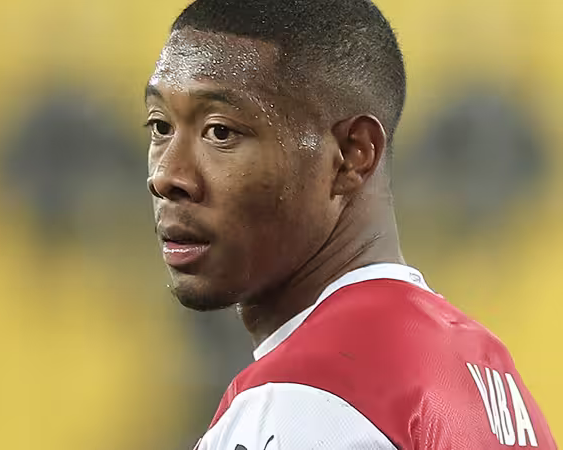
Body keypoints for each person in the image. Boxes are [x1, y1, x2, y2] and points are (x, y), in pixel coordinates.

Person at [143, 0, 557, 448]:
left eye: (221, 132)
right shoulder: (492, 378)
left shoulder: (304, 398)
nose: (166, 176)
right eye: (160, 126)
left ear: (352, 154)